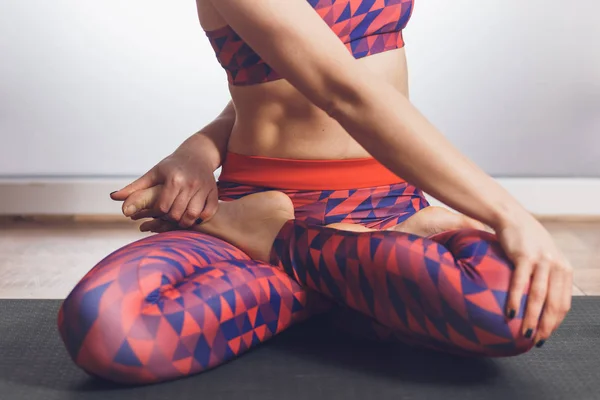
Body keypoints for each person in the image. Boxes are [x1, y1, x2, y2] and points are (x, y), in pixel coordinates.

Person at [58, 0, 572, 384]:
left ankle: (288, 252)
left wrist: (201, 144)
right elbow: (340, 89)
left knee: (511, 308)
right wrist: (508, 213)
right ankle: (347, 278)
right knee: (104, 328)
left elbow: (295, 79)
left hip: (387, 206)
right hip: (255, 205)